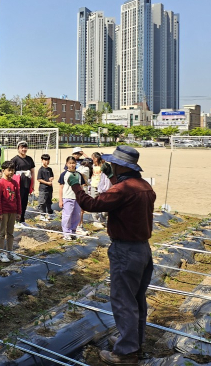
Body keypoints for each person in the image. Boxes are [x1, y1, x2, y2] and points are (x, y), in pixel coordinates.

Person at [67, 146, 155, 365]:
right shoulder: (144, 187)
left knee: (123, 300)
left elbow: (92, 204)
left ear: (118, 166)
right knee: (136, 299)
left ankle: (125, 353)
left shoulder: (123, 189)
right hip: (143, 249)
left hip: (126, 250)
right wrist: (112, 177)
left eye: (112, 165)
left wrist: (76, 186)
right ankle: (134, 341)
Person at [0, 161, 22, 262]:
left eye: (13, 170)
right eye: (9, 170)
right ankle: (1, 253)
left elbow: (18, 198)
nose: (11, 172)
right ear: (3, 171)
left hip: (13, 211)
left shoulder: (14, 183)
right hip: (4, 212)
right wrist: (0, 212)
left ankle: (10, 251)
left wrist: (19, 211)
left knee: (10, 233)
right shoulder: (0, 183)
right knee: (2, 233)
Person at [10, 141, 35, 228]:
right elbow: (9, 171)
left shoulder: (29, 159)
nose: (24, 149)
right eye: (22, 148)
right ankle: (16, 221)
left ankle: (22, 220)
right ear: (18, 149)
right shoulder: (15, 160)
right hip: (18, 184)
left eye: (25, 147)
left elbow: (32, 172)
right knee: (18, 202)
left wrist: (32, 184)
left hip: (26, 184)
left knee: (24, 202)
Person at [58, 156, 83, 241]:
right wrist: (60, 200)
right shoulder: (64, 174)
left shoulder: (79, 175)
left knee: (77, 215)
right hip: (67, 197)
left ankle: (73, 231)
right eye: (70, 163)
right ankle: (66, 233)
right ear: (66, 164)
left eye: (73, 163)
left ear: (76, 164)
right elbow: (61, 187)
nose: (72, 165)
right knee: (67, 216)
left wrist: (82, 199)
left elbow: (81, 187)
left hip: (77, 199)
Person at [36, 154, 54, 219]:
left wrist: (51, 178)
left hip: (49, 188)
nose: (47, 161)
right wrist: (47, 183)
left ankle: (50, 214)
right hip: (43, 188)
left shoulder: (50, 169)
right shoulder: (41, 170)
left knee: (49, 201)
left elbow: (52, 176)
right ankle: (42, 215)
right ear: (42, 160)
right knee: (42, 202)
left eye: (48, 160)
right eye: (45, 160)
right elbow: (39, 179)